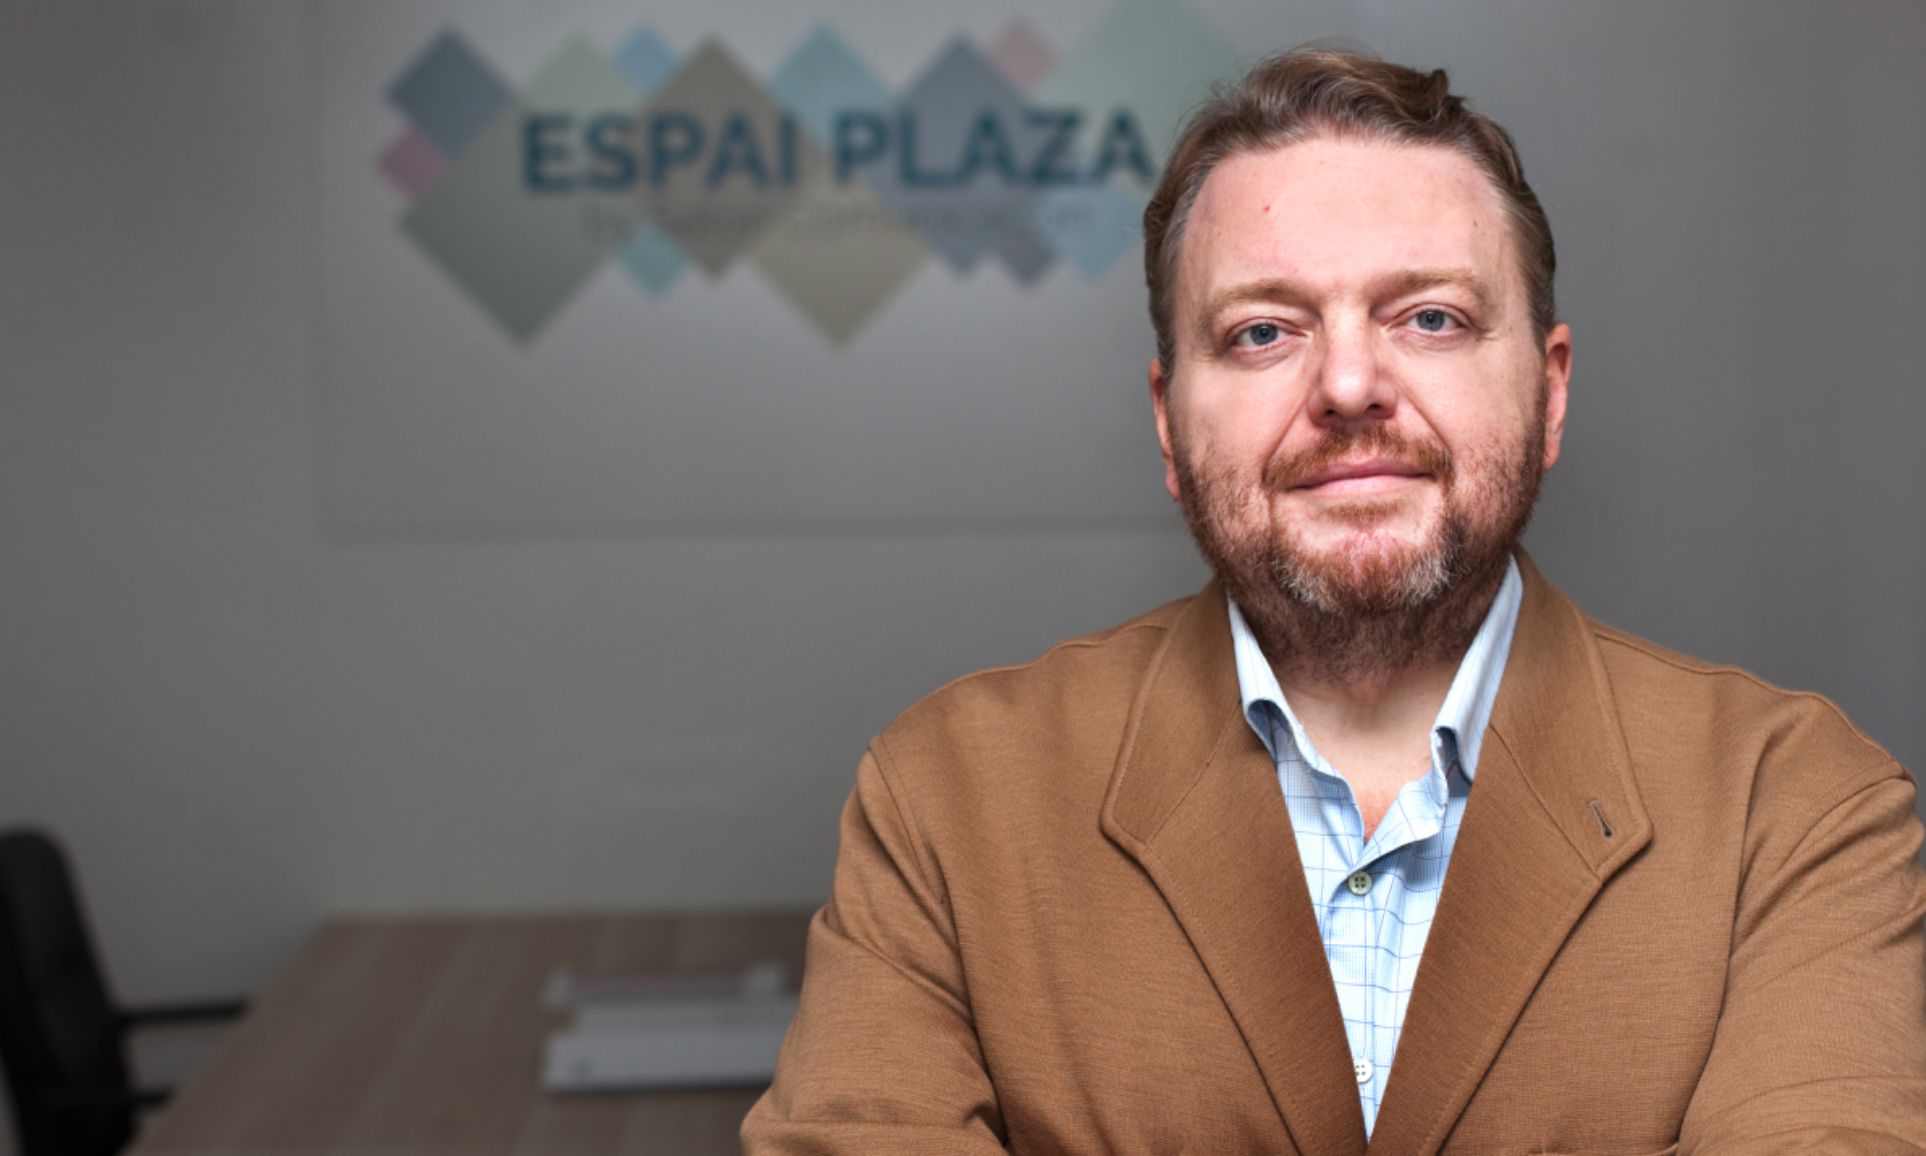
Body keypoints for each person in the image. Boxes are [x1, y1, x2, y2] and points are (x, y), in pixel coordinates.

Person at [741, 47, 1926, 1155]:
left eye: (1431, 318)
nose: (1350, 384)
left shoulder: (1792, 810)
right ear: (1169, 423)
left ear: (1550, 392)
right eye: (1264, 332)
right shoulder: (949, 802)